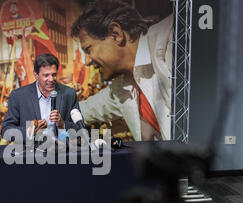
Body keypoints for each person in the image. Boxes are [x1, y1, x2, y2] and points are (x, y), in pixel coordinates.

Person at [70, 0, 173, 141]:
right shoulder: (122, 88)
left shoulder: (171, 43)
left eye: (88, 49)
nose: (86, 61)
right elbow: (84, 110)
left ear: (115, 34)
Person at [1, 53, 81, 141]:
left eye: (54, 75)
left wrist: (62, 125)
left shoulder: (69, 94)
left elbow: (80, 129)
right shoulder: (19, 96)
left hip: (62, 151)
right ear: (36, 76)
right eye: (46, 75)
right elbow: (6, 131)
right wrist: (30, 131)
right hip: (31, 152)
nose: (51, 79)